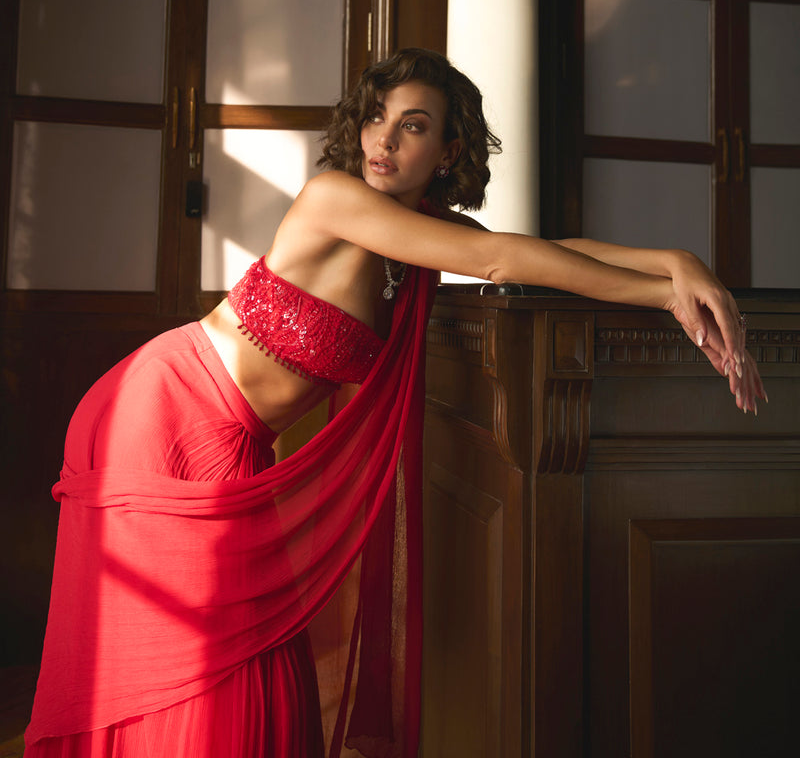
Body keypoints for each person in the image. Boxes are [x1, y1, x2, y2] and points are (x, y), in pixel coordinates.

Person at [25, 48, 765, 758]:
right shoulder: (335, 196)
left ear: (447, 150)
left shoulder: (419, 239)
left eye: (412, 124)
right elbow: (500, 260)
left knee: (245, 653)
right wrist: (665, 298)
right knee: (198, 660)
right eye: (377, 117)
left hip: (231, 434)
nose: (383, 139)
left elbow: (534, 247)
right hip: (163, 411)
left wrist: (676, 263)